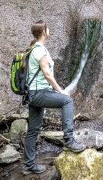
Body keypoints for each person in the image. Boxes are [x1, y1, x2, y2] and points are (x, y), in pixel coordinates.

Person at [22, 21, 86, 175]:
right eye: (48, 28)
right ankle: (69, 140)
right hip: (39, 93)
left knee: (33, 129)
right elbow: (47, 74)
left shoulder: (34, 49)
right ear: (44, 31)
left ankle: (28, 165)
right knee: (67, 101)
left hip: (33, 94)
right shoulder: (39, 50)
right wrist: (61, 90)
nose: (49, 30)